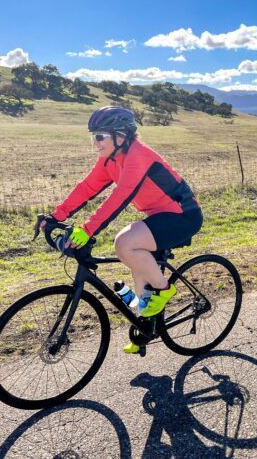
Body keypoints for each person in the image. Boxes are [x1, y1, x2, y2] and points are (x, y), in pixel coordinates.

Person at [40, 106, 203, 354]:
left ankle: (164, 288)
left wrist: (87, 230)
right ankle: (145, 329)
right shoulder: (111, 159)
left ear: (120, 135)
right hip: (159, 215)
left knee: (125, 244)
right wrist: (56, 216)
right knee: (138, 265)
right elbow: (86, 189)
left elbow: (120, 196)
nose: (95, 143)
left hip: (183, 215)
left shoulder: (139, 155)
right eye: (92, 137)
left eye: (99, 136)